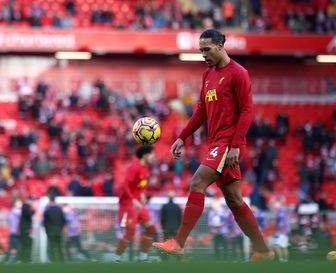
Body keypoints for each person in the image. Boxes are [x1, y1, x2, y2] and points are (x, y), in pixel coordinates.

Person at [153, 29, 273, 261]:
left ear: (220, 45)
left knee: (197, 182)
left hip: (227, 142)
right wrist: (182, 136)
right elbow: (201, 111)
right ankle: (262, 250)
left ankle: (178, 243)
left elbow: (247, 111)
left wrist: (236, 145)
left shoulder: (239, 74)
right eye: (201, 51)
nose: (203, 55)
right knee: (234, 200)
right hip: (215, 143)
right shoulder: (208, 75)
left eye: (207, 50)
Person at [114, 146, 156, 262]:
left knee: (151, 228)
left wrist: (142, 193)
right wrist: (133, 199)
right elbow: (125, 185)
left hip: (138, 203)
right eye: (152, 154)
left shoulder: (145, 168)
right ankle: (116, 257)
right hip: (128, 203)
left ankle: (143, 257)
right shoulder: (135, 167)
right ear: (145, 155)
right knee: (131, 230)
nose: (153, 157)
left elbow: (142, 185)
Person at [43, 194, 66, 263]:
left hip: (51, 232)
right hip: (58, 231)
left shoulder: (47, 211)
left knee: (51, 248)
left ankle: (53, 261)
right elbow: (63, 221)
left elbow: (45, 223)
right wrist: (61, 229)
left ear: (50, 201)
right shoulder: (59, 210)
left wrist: (47, 231)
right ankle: (62, 261)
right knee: (59, 247)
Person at [4, 199, 22, 263]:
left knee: (11, 246)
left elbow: (9, 221)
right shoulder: (18, 211)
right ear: (15, 204)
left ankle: (6, 259)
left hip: (13, 231)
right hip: (16, 231)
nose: (21, 204)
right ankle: (16, 259)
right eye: (19, 203)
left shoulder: (11, 211)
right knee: (19, 246)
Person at [19, 196, 35, 263]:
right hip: (25, 229)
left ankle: (25, 258)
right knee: (27, 245)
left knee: (26, 245)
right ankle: (26, 259)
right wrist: (34, 210)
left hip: (25, 229)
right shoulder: (25, 207)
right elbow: (29, 215)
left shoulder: (25, 207)